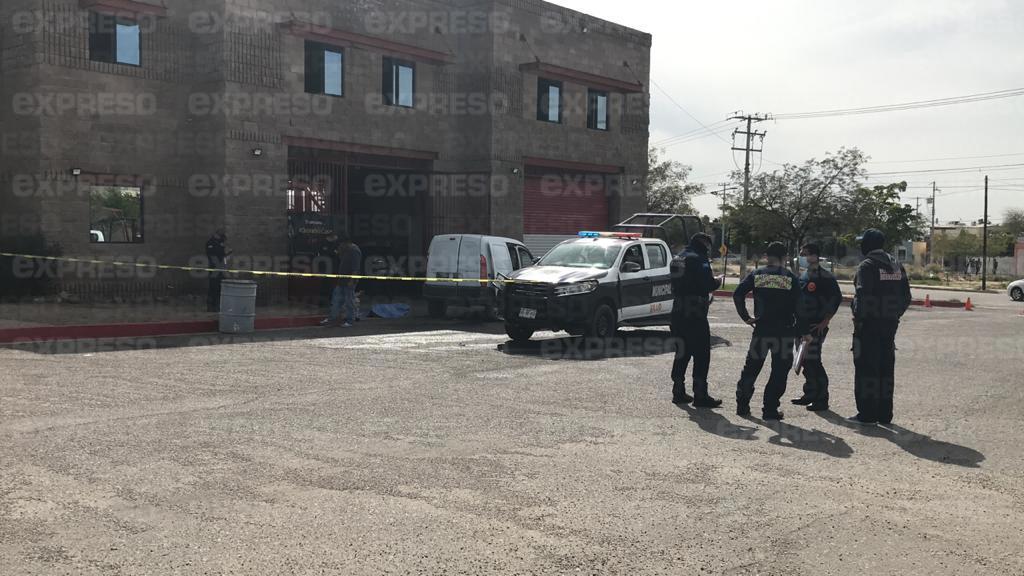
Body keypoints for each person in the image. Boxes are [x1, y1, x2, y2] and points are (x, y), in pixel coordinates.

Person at [733, 242, 812, 421]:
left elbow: (738, 294)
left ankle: (742, 405)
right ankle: (770, 410)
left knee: (751, 368)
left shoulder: (757, 275)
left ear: (766, 256)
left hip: (761, 329)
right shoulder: (790, 277)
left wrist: (745, 317)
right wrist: (805, 332)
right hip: (784, 332)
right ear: (785, 257)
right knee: (779, 371)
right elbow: (800, 308)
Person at [850, 229, 912, 425]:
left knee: (866, 370)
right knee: (886, 369)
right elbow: (906, 297)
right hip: (889, 325)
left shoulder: (866, 266)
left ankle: (867, 415)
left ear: (867, 244)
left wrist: (858, 317)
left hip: (868, 326)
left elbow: (862, 297)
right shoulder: (896, 265)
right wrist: (894, 315)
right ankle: (885, 415)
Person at [669, 232, 724, 408]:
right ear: (704, 244)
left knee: (681, 352)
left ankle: (678, 391)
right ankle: (700, 395)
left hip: (677, 311)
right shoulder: (698, 259)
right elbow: (707, 284)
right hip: (695, 313)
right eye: (708, 245)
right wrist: (717, 281)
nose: (709, 249)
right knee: (701, 355)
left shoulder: (678, 257)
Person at [792, 243, 843, 412]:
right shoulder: (804, 274)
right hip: (801, 326)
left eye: (804, 254)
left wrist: (825, 321)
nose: (802, 257)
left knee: (814, 361)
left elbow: (836, 299)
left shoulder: (825, 277)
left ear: (814, 256)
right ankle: (810, 393)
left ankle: (822, 399)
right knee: (805, 361)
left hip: (815, 327)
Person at [321, 234, 362, 328]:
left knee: (349, 301)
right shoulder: (345, 250)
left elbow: (355, 267)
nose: (340, 246)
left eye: (341, 244)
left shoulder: (354, 251)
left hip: (349, 280)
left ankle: (350, 320)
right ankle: (331, 318)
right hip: (342, 280)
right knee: (336, 300)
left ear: (346, 243)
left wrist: (352, 279)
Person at [205, 230, 230, 312]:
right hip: (214, 268)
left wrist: (226, 254)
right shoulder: (211, 243)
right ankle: (211, 306)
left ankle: (218, 305)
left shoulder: (220, 243)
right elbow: (212, 255)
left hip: (221, 268)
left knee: (220, 287)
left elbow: (222, 255)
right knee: (213, 287)